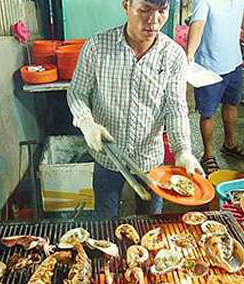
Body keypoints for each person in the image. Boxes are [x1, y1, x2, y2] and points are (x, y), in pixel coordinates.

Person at [67, 0, 204, 219]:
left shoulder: (173, 56)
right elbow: (77, 93)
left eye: (162, 11)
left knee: (150, 224)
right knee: (105, 219)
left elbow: (176, 106)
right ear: (126, 5)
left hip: (150, 160)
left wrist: (182, 150)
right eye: (144, 10)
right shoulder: (97, 47)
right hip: (108, 155)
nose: (154, 20)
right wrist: (86, 122)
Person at [187, 0, 244, 175]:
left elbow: (240, 12)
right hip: (209, 66)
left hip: (233, 61)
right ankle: (208, 156)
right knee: (208, 113)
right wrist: (189, 54)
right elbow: (198, 23)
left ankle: (230, 144)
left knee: (231, 105)